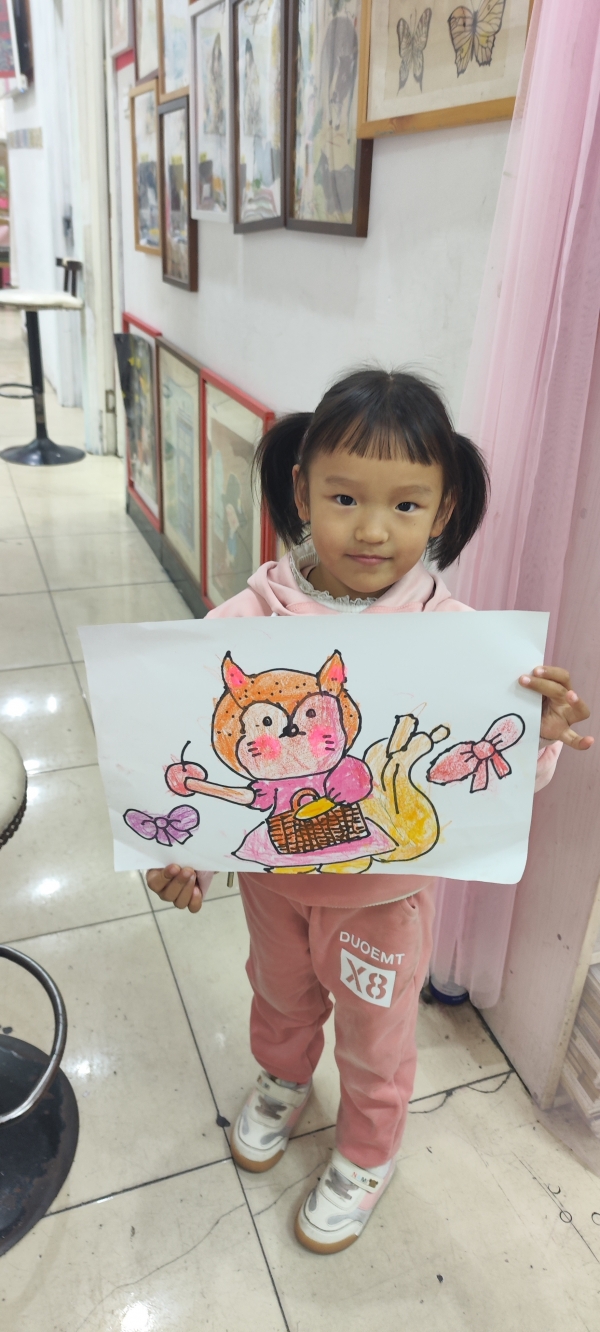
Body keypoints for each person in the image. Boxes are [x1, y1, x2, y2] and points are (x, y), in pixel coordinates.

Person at [145, 370, 593, 1255]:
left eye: (406, 504)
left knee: (376, 1033)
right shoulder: (243, 618)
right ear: (302, 489)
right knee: (278, 998)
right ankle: (283, 1081)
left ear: (443, 509)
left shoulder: (464, 641)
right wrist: (187, 854)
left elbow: (488, 780)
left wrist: (531, 736)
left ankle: (366, 1150)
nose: (373, 528)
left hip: (385, 901)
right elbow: (195, 755)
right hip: (274, 884)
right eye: (345, 497)